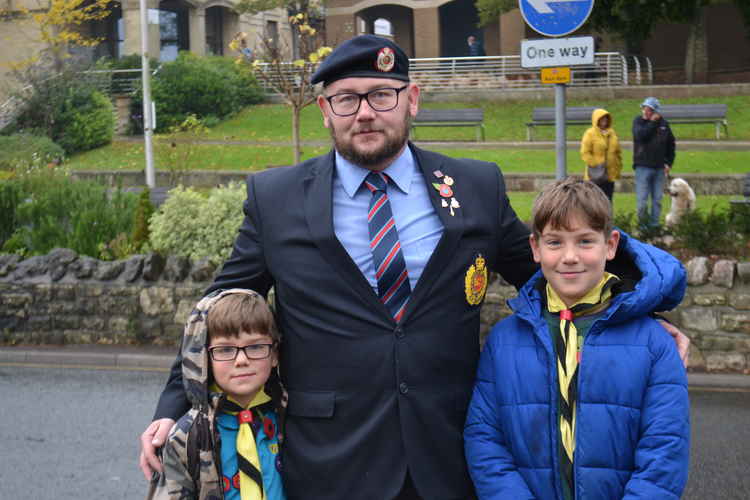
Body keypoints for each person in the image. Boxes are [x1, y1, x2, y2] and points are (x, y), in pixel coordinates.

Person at [139, 35, 689, 500]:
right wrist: (173, 407)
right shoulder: (276, 197)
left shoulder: (474, 185)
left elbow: (549, 270)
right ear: (326, 110)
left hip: (448, 449)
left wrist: (634, 311)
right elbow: (219, 305)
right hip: (331, 457)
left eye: (382, 94)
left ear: (412, 99)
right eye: (346, 99)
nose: (365, 113)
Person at [464, 178, 690, 500]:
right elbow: (485, 438)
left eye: (585, 241)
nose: (570, 256)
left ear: (610, 245)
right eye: (554, 242)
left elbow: (665, 449)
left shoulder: (653, 344)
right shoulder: (503, 341)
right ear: (535, 248)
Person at [147, 289, 286, 500]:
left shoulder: (289, 416)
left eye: (256, 346)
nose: (241, 360)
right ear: (205, 359)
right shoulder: (186, 436)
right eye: (225, 350)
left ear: (274, 355)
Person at [633, 97, 676, 228]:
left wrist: (668, 163)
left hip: (659, 168)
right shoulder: (638, 122)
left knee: (657, 200)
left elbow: (671, 144)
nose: (646, 111)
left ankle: (654, 226)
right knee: (642, 201)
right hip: (642, 167)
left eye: (650, 109)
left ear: (656, 111)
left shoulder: (664, 124)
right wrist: (651, 123)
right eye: (644, 108)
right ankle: (643, 227)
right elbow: (641, 136)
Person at [580, 108, 622, 202]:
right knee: (595, 202)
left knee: (608, 201)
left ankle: (607, 217)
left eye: (606, 118)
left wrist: (618, 165)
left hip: (610, 174)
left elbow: (618, 151)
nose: (605, 121)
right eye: (602, 118)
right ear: (596, 120)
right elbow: (585, 153)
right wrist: (597, 164)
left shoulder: (612, 133)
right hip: (595, 175)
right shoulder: (589, 134)